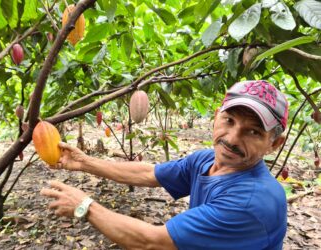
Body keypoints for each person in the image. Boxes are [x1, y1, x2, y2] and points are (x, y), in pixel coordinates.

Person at [41, 80, 289, 250]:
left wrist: (84, 205)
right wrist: (84, 161)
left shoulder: (252, 203)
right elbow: (149, 173)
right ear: (216, 116)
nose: (232, 138)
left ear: (274, 143)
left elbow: (152, 242)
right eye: (229, 120)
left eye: (253, 132)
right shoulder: (207, 160)